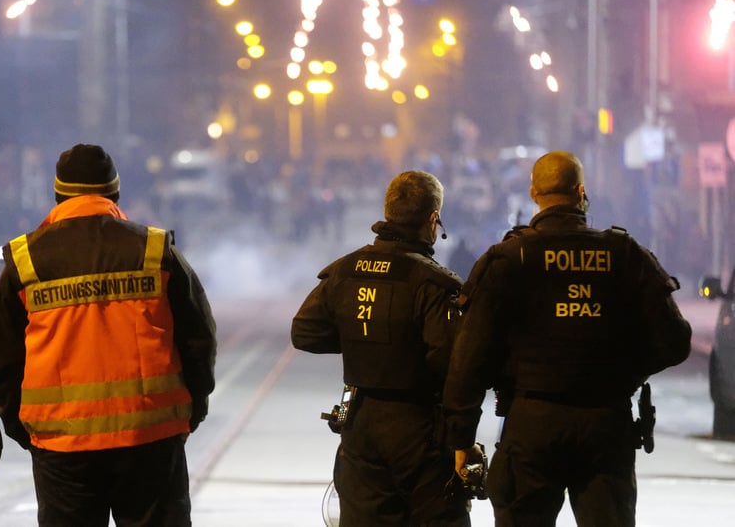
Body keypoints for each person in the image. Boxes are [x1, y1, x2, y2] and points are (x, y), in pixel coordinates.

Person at [443, 150, 692, 527]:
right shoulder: (624, 254)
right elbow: (675, 342)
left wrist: (461, 438)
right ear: (580, 192)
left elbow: (469, 359)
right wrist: (625, 373)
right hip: (606, 423)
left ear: (533, 193)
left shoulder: (509, 259)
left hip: (531, 423)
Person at [0, 143, 217, 527]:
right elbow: (198, 336)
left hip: (63, 447)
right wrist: (192, 411)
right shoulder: (155, 250)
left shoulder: (25, 261)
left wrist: (22, 429)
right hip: (150, 438)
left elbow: (2, 360)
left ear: (58, 195)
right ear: (114, 192)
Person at [292, 170, 471, 526]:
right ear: (432, 220)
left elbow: (305, 332)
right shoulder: (433, 282)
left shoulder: (345, 270)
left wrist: (360, 336)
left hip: (359, 425)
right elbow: (449, 360)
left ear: (388, 211)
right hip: (419, 429)